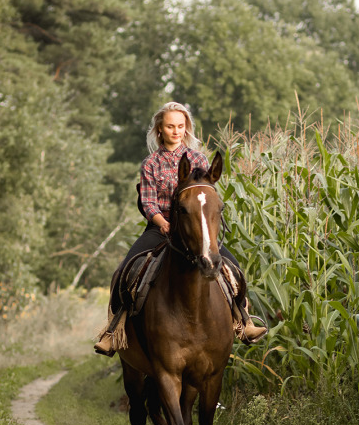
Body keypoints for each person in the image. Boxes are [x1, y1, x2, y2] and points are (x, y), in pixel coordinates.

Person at [95, 101, 267, 356]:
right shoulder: (151, 164)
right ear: (159, 130)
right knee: (125, 269)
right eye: (170, 126)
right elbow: (148, 201)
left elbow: (206, 197)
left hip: (195, 227)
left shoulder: (199, 159)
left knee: (233, 269)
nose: (176, 131)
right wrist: (161, 221)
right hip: (160, 227)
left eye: (180, 126)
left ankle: (244, 320)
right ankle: (112, 330)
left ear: (186, 128)